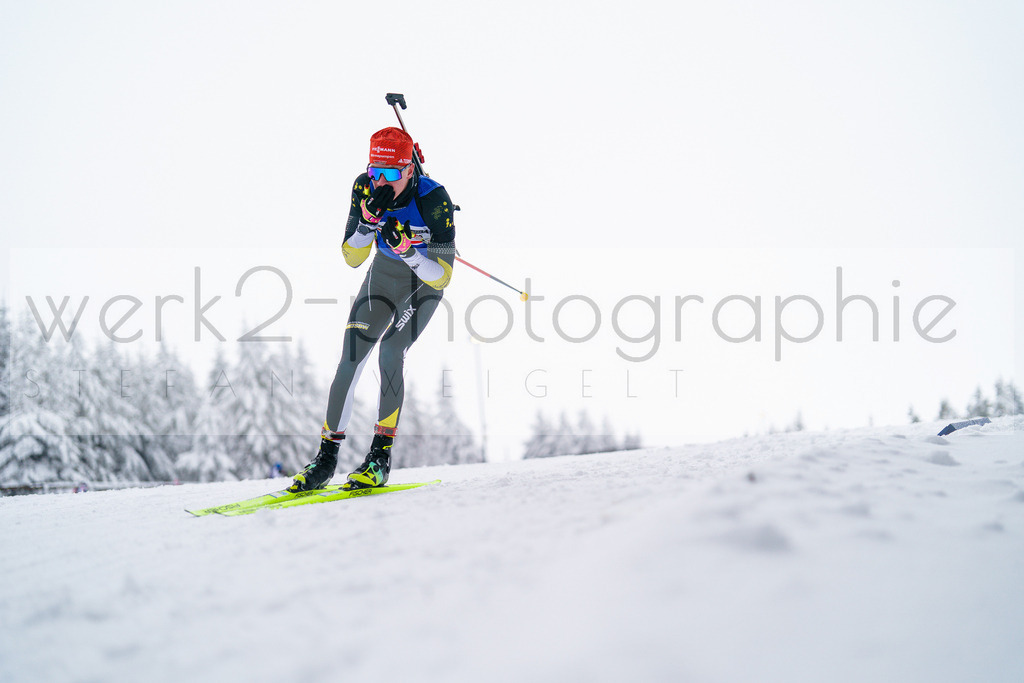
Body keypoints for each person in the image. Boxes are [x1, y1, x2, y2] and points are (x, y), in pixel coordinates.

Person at [289, 126, 456, 491]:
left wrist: (409, 251)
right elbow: (352, 258)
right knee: (351, 355)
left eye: (391, 174)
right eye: (375, 171)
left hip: (422, 283)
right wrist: (366, 225)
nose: (381, 182)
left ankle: (380, 458)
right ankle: (325, 459)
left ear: (409, 170)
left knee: (391, 351)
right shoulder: (364, 187)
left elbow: (442, 277)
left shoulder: (434, 199)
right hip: (382, 275)